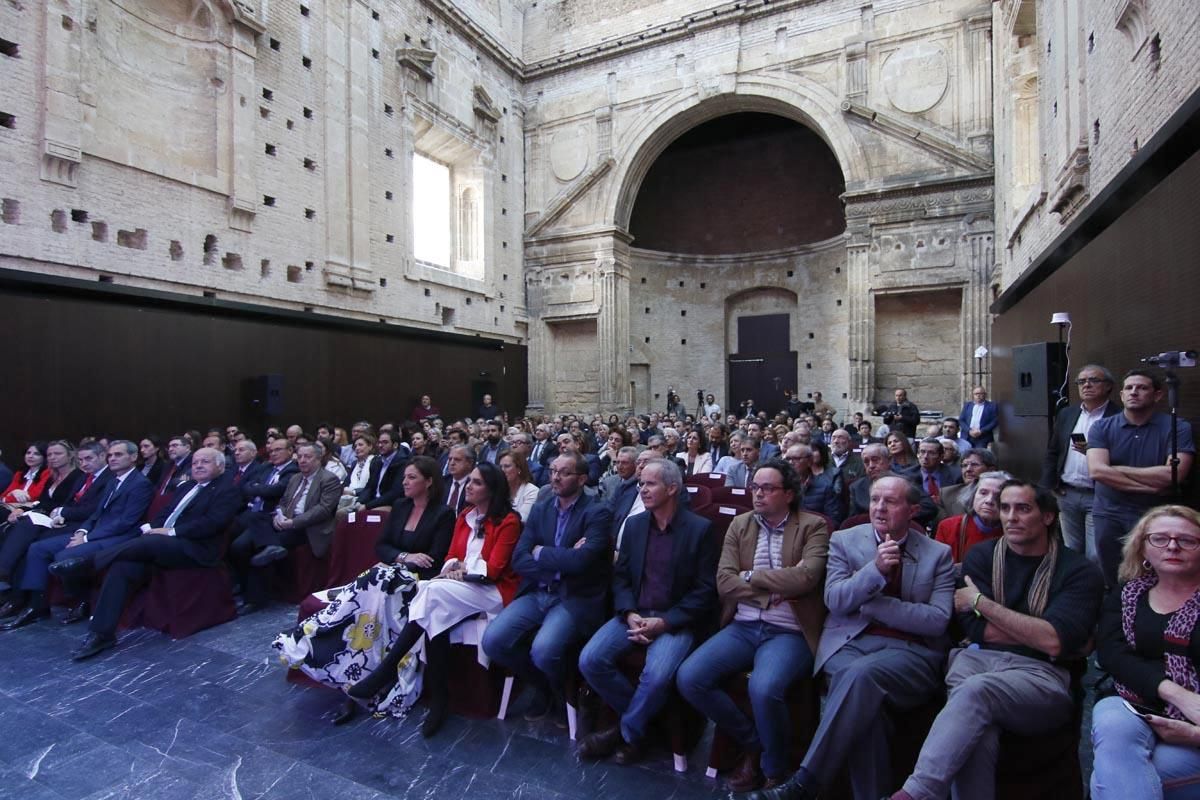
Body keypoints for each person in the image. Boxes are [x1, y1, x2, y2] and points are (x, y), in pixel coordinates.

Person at [889, 481, 1104, 800]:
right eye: (1005, 508)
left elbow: (1056, 642)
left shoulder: (1077, 570)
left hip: (1041, 676)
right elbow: (975, 631)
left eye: (1023, 508)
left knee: (977, 692)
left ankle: (914, 794)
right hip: (976, 662)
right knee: (979, 731)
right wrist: (1038, 632)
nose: (1011, 517)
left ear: (1047, 517)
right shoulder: (982, 557)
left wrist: (981, 603)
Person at [750, 475, 954, 800]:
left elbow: (937, 622)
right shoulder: (845, 540)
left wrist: (872, 604)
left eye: (891, 501)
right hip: (848, 644)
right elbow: (836, 601)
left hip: (911, 654)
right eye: (875, 500)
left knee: (859, 678)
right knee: (865, 706)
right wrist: (874, 571)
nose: (880, 508)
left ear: (913, 509)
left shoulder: (937, 554)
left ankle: (805, 784)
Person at [676, 458, 829, 792]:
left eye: (767, 488)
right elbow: (724, 583)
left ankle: (773, 768)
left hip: (789, 631)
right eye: (754, 487)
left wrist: (751, 577)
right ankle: (753, 741)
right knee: (690, 677)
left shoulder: (812, 526)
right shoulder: (741, 525)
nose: (757, 494)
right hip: (743, 625)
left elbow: (807, 577)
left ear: (788, 494)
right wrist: (772, 588)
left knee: (763, 687)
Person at [343, 462, 520, 737]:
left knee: (430, 590)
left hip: (491, 592)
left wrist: (461, 571)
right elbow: (450, 555)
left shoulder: (508, 520)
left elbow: (494, 569)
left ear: (491, 489)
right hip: (458, 586)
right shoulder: (466, 516)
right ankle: (440, 699)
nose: (469, 487)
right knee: (435, 612)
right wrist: (453, 568)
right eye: (470, 481)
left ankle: (386, 670)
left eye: (476, 483)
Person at [275, 455, 456, 724]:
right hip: (388, 576)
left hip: (416, 585)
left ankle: (364, 683)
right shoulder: (400, 506)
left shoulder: (442, 514)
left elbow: (434, 558)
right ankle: (332, 659)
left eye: (412, 477)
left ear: (429, 482)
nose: (404, 482)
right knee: (366, 604)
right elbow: (382, 546)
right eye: (404, 477)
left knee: (374, 601)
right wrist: (405, 557)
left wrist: (403, 562)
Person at [577, 459, 717, 765]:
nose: (642, 489)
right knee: (590, 660)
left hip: (674, 620)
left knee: (656, 676)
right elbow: (622, 577)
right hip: (635, 613)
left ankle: (624, 733)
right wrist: (628, 612)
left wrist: (665, 622)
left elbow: (705, 591)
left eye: (650, 483)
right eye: (641, 483)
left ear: (672, 489)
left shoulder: (700, 530)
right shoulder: (637, 525)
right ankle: (642, 723)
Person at [57, 447, 243, 660]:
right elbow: (165, 513)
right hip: (161, 543)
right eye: (195, 462)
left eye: (205, 462)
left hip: (196, 547)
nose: (198, 465)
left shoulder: (227, 490)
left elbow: (213, 523)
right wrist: (151, 527)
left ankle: (89, 562)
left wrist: (170, 532)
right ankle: (101, 634)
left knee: (151, 541)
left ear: (220, 466)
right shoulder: (187, 487)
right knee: (122, 566)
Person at [483, 453, 613, 722]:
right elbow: (519, 558)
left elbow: (582, 562)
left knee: (544, 650)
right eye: (553, 470)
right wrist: (559, 561)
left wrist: (541, 552)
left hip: (572, 597)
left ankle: (561, 692)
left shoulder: (597, 512)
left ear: (582, 478)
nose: (555, 477)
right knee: (493, 642)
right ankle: (543, 686)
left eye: (564, 472)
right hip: (538, 591)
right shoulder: (542, 509)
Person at [1091, 505, 1200, 799]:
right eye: (1160, 539)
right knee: (1111, 725)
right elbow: (1113, 654)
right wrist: (1176, 694)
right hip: (1133, 701)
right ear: (1142, 548)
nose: (1173, 546)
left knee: (1106, 777)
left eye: (1187, 540)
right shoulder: (1128, 594)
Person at [0, 441, 153, 630]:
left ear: (133, 457)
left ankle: (82, 600)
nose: (112, 458)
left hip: (119, 535)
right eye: (111, 455)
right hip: (92, 530)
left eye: (118, 455)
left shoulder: (141, 484)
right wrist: (82, 531)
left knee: (63, 555)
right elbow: (97, 513)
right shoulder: (114, 481)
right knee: (37, 548)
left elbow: (125, 522)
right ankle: (37, 605)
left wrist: (86, 537)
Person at [1089, 370, 1195, 585]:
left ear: (1157, 395)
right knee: (1112, 574)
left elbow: (1173, 474)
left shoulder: (1177, 427)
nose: (1134, 392)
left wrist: (1116, 469)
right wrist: (1149, 486)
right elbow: (1098, 471)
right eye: (1129, 388)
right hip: (1110, 513)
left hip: (1154, 514)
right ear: (1121, 394)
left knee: (1152, 575)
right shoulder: (1101, 427)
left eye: (1142, 388)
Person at [230, 442, 342, 612]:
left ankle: (254, 600)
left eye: (308, 457)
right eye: (300, 456)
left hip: (307, 527)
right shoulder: (295, 478)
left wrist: (293, 522)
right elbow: (283, 501)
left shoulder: (329, 479)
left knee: (258, 550)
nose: (302, 460)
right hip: (285, 522)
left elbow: (323, 510)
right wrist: (278, 514)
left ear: (318, 458)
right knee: (243, 540)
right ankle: (270, 547)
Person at [1040, 364, 1122, 561]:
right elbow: (1053, 451)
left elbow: (1128, 456)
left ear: (1108, 386)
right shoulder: (1067, 413)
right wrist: (1050, 485)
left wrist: (1094, 453)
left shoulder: (1119, 417)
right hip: (1067, 493)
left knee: (1096, 553)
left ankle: (1098, 590)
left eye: (1093, 380)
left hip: (1099, 495)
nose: (1086, 385)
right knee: (1070, 549)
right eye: (1081, 381)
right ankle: (1074, 588)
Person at [932, 471, 1011, 564]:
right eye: (983, 493)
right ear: (973, 495)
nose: (989, 501)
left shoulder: (1013, 531)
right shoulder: (948, 527)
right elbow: (938, 567)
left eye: (998, 495)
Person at [784, 444, 843, 526]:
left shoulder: (825, 487)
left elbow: (833, 521)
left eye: (796, 459)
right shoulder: (780, 487)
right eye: (787, 459)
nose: (790, 463)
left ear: (809, 461)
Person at [937, 447, 999, 518]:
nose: (968, 469)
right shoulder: (946, 494)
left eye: (975, 465)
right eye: (964, 465)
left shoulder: (1003, 495)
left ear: (991, 470)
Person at [0, 442, 50, 507]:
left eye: (36, 454)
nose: (30, 456)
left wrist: (10, 498)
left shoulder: (47, 473)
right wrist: (14, 492)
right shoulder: (19, 474)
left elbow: (34, 496)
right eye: (28, 453)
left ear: (44, 457)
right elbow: (3, 496)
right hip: (12, 508)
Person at [499, 451, 538, 521]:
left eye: (507, 466)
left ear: (519, 469)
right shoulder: (498, 489)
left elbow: (522, 520)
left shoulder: (532, 491)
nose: (502, 470)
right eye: (500, 467)